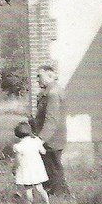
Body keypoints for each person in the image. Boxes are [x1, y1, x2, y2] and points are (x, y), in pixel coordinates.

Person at [33, 63, 70, 196]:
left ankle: (60, 197)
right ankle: (57, 195)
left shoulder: (53, 94)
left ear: (50, 76)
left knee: (53, 169)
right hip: (50, 139)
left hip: (51, 140)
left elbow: (51, 121)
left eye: (39, 76)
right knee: (51, 169)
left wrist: (40, 139)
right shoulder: (49, 92)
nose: (37, 80)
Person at [12, 121, 49, 204]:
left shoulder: (18, 146)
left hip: (26, 169)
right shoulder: (36, 141)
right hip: (36, 168)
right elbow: (43, 152)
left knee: (28, 189)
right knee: (40, 188)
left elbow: (17, 160)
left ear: (17, 134)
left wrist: (14, 168)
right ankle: (47, 203)